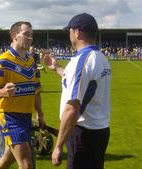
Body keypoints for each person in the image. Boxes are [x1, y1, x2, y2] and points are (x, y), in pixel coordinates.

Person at [44, 13, 111, 169]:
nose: (69, 34)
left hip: (83, 134)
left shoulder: (82, 60)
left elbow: (72, 108)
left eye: (69, 30)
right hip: (100, 131)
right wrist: (58, 68)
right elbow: (84, 84)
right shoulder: (101, 57)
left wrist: (58, 145)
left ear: (77, 32)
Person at [0, 21, 45, 169]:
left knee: (8, 159)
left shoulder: (31, 63)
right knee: (27, 164)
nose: (30, 38)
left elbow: (35, 91)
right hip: (9, 117)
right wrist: (2, 92)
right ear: (15, 36)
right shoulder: (3, 62)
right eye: (26, 34)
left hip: (26, 117)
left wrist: (40, 113)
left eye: (31, 35)